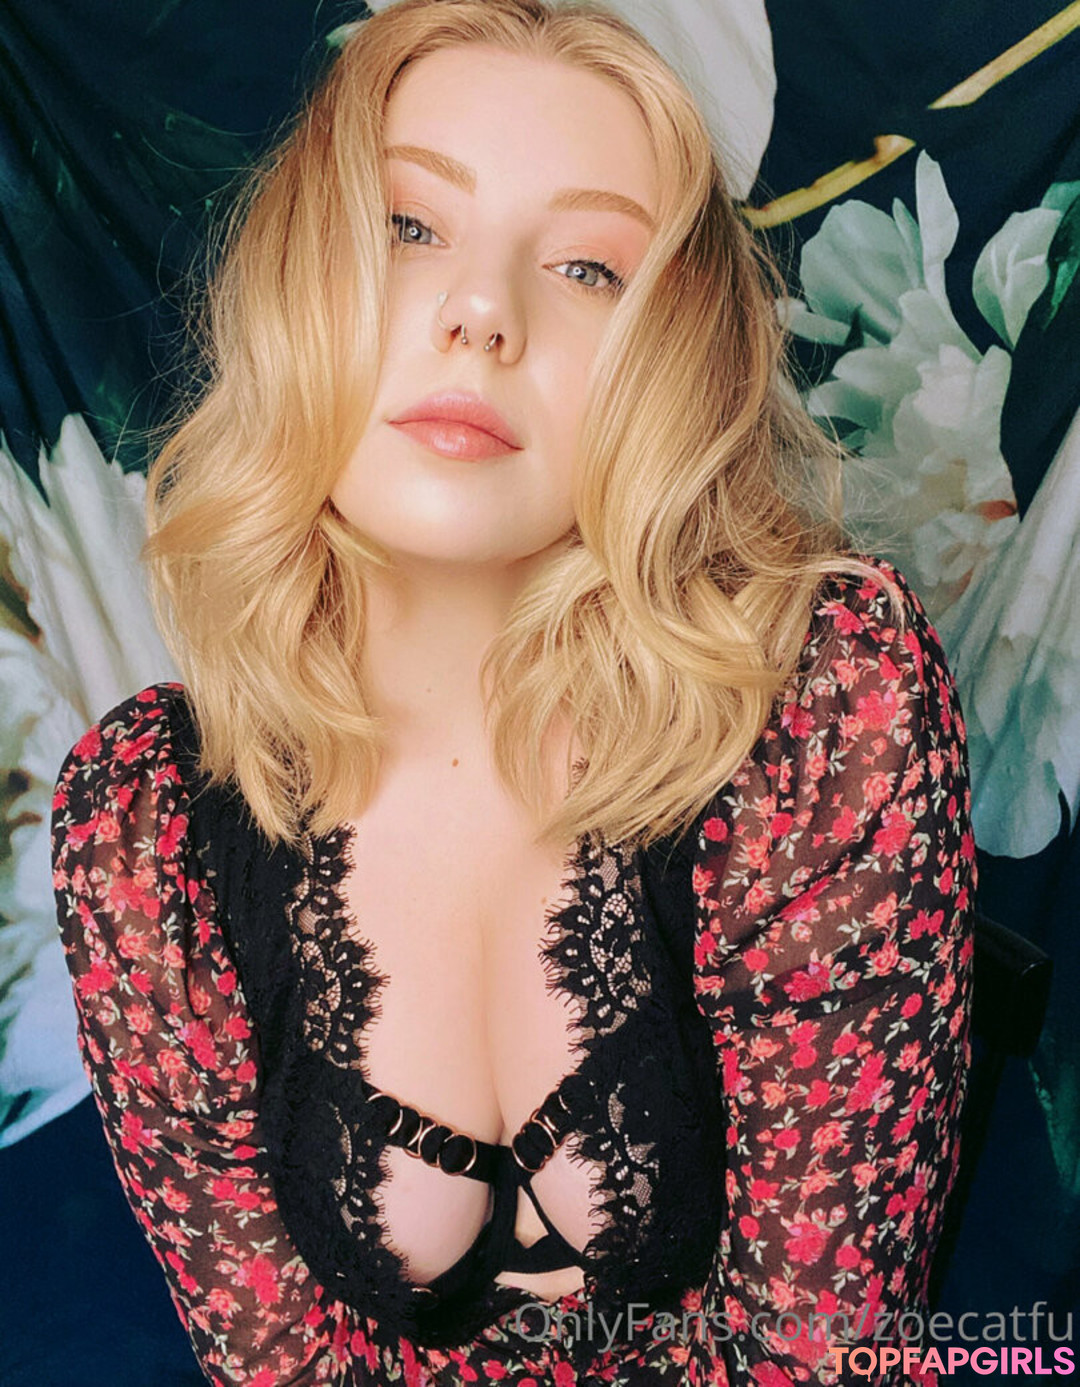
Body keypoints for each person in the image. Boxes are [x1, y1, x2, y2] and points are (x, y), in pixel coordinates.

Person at [50, 0, 976, 1382]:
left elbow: (820, 1349)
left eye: (590, 267)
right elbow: (276, 1362)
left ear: (676, 363)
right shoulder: (140, 829)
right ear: (296, 281)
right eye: (408, 227)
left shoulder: (827, 701)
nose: (482, 313)